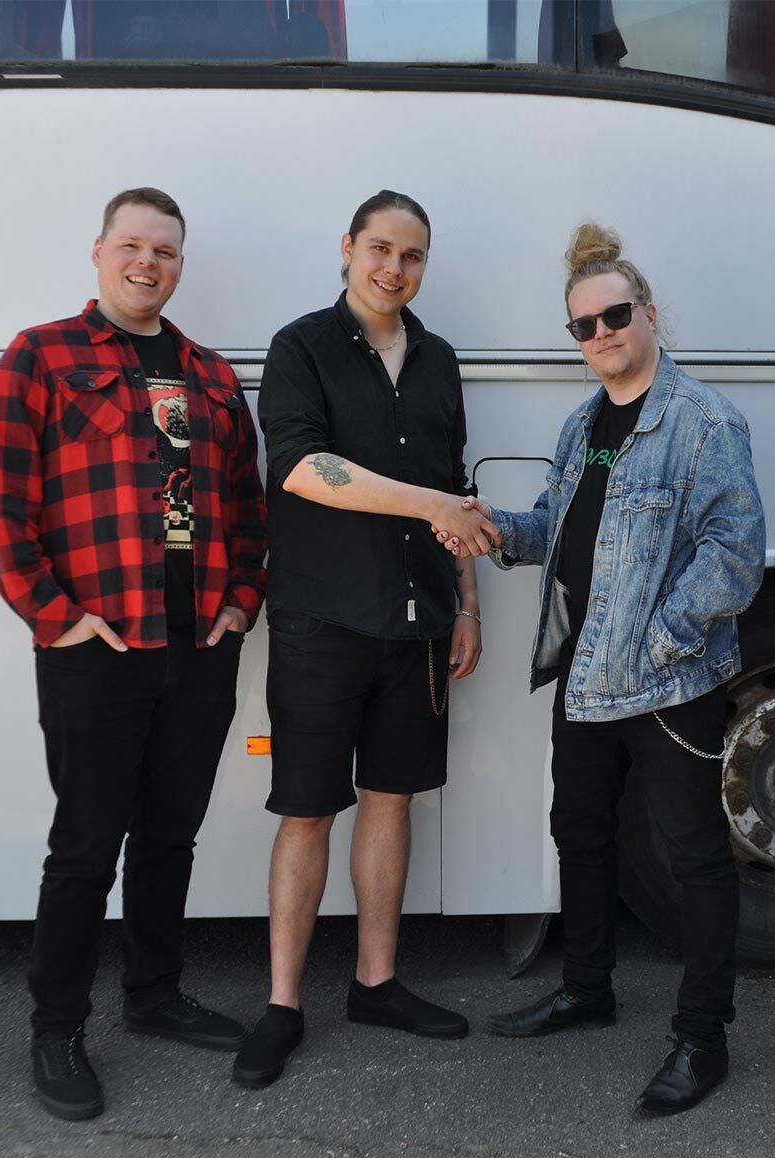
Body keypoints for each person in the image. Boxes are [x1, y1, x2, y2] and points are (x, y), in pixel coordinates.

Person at [0, 187, 267, 1121]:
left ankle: (155, 995)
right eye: (132, 245)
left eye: (165, 251)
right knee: (86, 847)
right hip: (96, 648)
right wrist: (54, 617)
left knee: (170, 836)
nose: (148, 263)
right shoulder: (42, 355)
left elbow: (249, 507)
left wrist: (240, 603)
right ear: (99, 252)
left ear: (181, 265)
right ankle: (57, 1029)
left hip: (197, 648)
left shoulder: (211, 375)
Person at [457, 223, 765, 1115]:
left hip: (670, 682)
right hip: (587, 673)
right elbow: (556, 527)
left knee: (694, 857)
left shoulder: (704, 421)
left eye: (615, 316)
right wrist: (493, 529)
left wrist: (662, 638)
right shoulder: (583, 424)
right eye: (583, 325)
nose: (601, 335)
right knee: (580, 831)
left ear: (650, 313)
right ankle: (587, 989)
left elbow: (735, 554)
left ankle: (702, 1039)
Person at [235, 190, 497, 1089]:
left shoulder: (439, 359)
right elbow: (301, 468)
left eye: (412, 255)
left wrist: (468, 605)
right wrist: (430, 505)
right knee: (307, 808)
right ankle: (282, 1005)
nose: (394, 267)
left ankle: (376, 984)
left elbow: (454, 483)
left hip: (419, 621)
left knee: (392, 799)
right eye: (380, 248)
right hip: (321, 618)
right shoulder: (300, 346)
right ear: (348, 247)